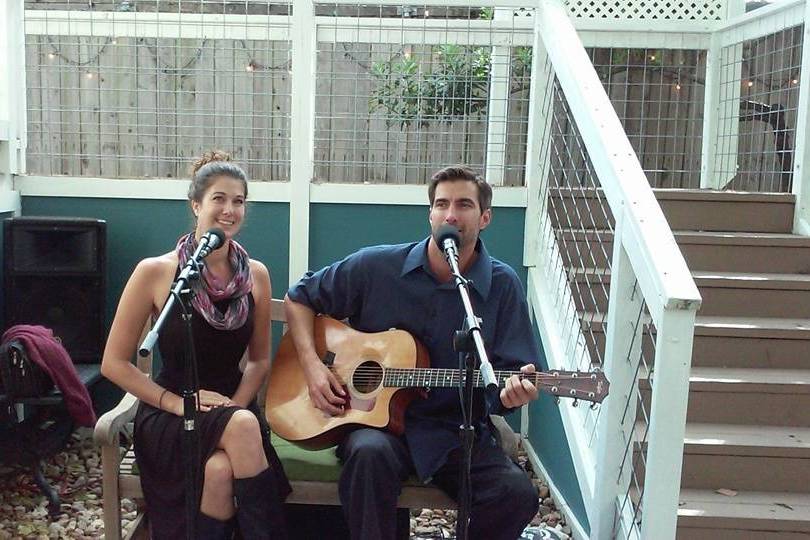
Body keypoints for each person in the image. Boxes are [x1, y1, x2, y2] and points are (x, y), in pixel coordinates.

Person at [284, 165, 541, 540]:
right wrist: (313, 367)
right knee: (368, 455)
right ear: (431, 214)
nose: (451, 214)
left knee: (516, 494)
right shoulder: (376, 266)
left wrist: (510, 394)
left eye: (464, 205)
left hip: (454, 432)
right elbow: (299, 298)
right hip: (376, 426)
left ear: (485, 217)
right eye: (442, 204)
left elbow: (508, 377)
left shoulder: (502, 286)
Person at [101, 151, 290, 540]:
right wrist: (175, 402)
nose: (229, 209)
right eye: (219, 198)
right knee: (240, 429)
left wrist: (236, 405)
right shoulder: (155, 272)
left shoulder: (256, 275)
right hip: (169, 412)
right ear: (196, 204)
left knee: (220, 469)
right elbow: (114, 363)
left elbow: (258, 361)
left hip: (234, 407)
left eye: (238, 201)